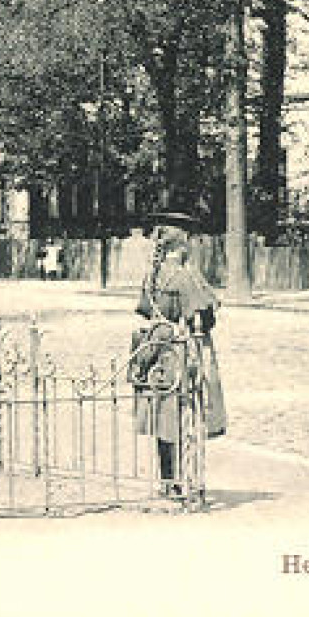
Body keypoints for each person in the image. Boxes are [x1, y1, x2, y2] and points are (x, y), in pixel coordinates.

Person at [128, 212, 227, 496]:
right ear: (182, 244)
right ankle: (186, 481)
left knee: (163, 421)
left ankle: (168, 481)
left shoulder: (153, 275)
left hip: (156, 352)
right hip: (179, 353)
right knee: (183, 417)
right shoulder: (184, 277)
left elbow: (146, 312)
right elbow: (203, 320)